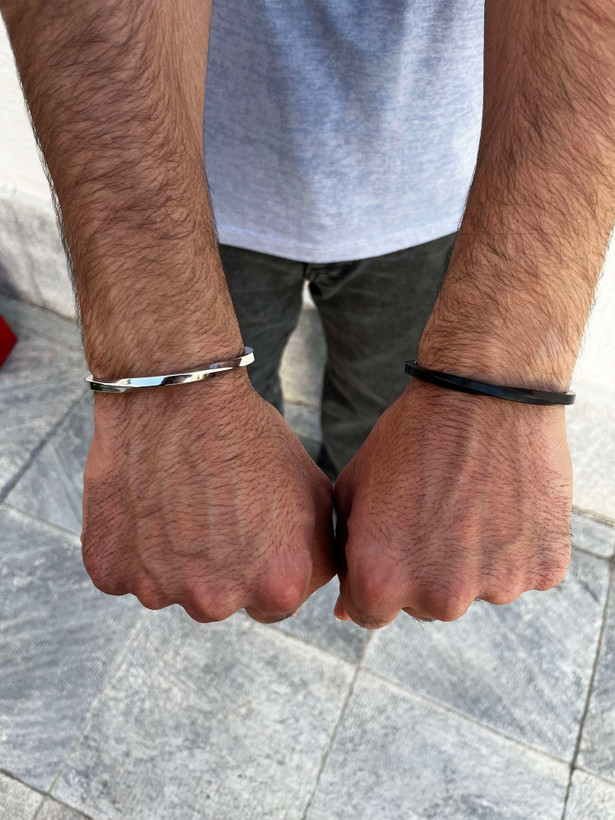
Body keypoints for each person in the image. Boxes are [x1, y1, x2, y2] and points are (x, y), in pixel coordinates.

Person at [1, 0, 613, 629]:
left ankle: (352, 518)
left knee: (375, 409)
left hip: (434, 189)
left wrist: (498, 387)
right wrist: (171, 396)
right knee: (250, 417)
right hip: (183, 199)